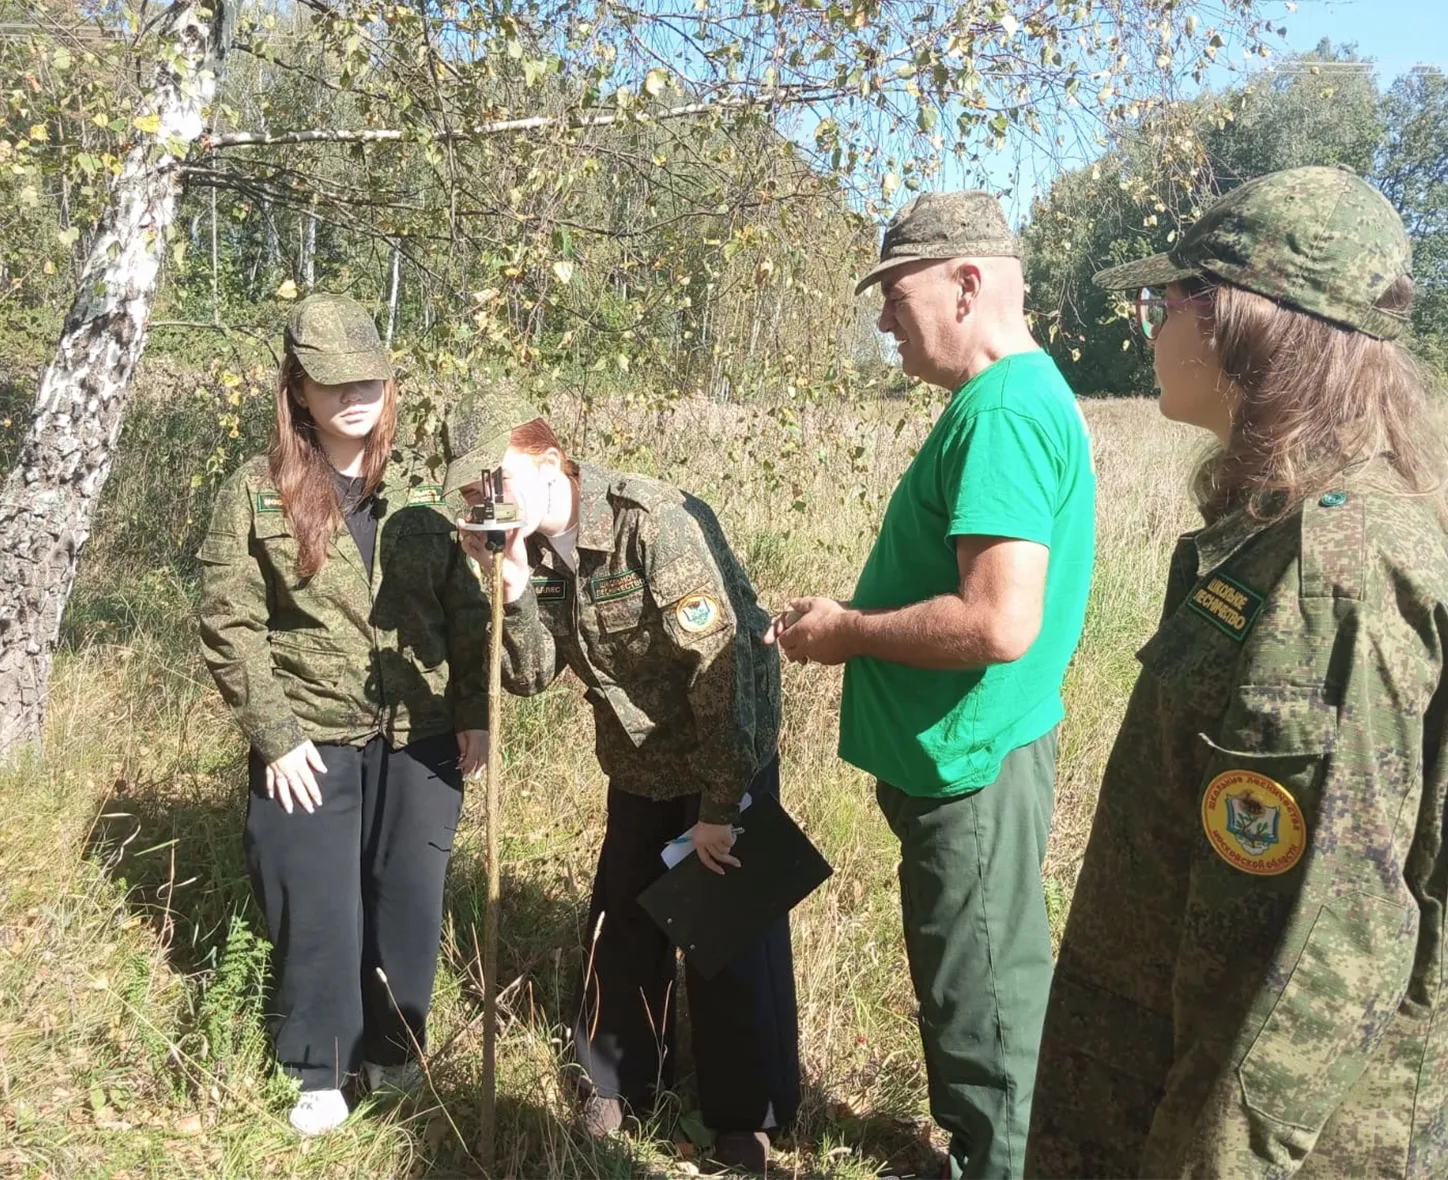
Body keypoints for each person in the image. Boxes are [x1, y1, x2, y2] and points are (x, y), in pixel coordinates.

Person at [1025, 165, 1448, 1177]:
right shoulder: (1285, 536)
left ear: (1243, 323)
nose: (1152, 326)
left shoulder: (1331, 577)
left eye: (1168, 300)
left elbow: (1313, 973)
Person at [766, 190, 1097, 1178]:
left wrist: (846, 633)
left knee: (983, 1003)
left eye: (892, 295)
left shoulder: (1001, 411)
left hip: (974, 767)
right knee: (977, 984)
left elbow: (998, 619)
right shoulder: (1010, 401)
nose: (882, 323)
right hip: (975, 754)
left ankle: (1002, 1162)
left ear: (965, 283)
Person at [443, 389, 797, 1173]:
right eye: (473, 495)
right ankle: (618, 1083)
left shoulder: (648, 522)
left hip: (721, 746)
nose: (487, 504)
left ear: (545, 458)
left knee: (728, 933)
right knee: (627, 921)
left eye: (495, 482)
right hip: (638, 759)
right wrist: (509, 587)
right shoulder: (527, 549)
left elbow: (725, 669)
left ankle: (746, 1118)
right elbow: (530, 675)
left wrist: (718, 809)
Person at [197, 293, 490, 1136]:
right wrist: (275, 736)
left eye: (369, 380)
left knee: (408, 895)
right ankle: (320, 1067)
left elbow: (468, 614)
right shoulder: (254, 494)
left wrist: (473, 709)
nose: (353, 397)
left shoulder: (426, 498)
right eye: (332, 384)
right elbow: (228, 620)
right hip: (309, 735)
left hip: (420, 733)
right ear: (298, 391)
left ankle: (395, 1053)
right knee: (318, 902)